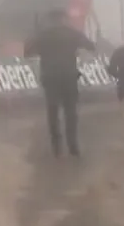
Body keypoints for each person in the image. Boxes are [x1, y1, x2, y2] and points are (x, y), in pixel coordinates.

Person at [23, 9, 97, 157]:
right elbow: (91, 46)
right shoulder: (72, 32)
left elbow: (27, 53)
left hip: (50, 77)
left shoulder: (43, 35)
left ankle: (56, 146)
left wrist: (35, 34)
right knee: (71, 112)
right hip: (69, 76)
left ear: (49, 19)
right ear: (63, 18)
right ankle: (73, 145)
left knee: (52, 111)